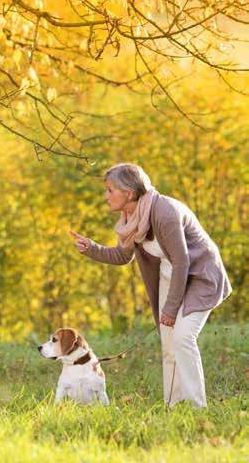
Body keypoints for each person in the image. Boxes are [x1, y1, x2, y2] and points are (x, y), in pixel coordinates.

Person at [70, 163, 232, 408]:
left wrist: (170, 309)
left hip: (200, 275)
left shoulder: (163, 212)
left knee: (183, 337)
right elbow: (123, 256)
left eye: (110, 190)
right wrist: (92, 248)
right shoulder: (132, 217)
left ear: (129, 193)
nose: (105, 196)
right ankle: (174, 405)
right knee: (168, 344)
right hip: (173, 274)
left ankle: (197, 407)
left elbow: (182, 261)